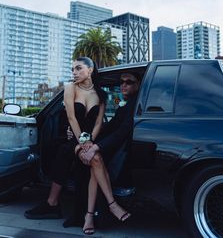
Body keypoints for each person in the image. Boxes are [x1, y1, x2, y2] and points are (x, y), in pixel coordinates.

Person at [25, 57, 106, 220]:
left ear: (90, 70)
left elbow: (99, 122)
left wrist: (90, 142)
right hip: (77, 137)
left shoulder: (100, 94)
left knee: (68, 154)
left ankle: (59, 204)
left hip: (93, 139)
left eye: (78, 68)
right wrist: (83, 143)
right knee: (63, 150)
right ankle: (53, 202)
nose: (74, 73)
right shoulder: (70, 88)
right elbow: (71, 118)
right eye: (72, 70)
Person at [71, 71, 141, 234]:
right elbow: (112, 126)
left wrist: (95, 145)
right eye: (121, 82)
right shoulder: (127, 102)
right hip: (93, 143)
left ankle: (91, 215)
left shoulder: (134, 104)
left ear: (138, 84)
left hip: (107, 146)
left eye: (128, 82)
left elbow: (121, 129)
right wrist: (87, 138)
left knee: (95, 159)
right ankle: (111, 205)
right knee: (96, 161)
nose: (123, 84)